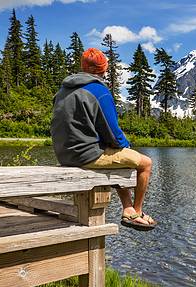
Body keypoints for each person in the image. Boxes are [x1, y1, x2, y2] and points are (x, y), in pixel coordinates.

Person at [50, 48, 156, 230]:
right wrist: (126, 146)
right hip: (86, 156)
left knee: (120, 157)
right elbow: (113, 132)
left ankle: (128, 207)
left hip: (63, 155)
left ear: (82, 67)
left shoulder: (62, 91)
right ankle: (136, 212)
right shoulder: (99, 91)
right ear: (103, 70)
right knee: (145, 163)